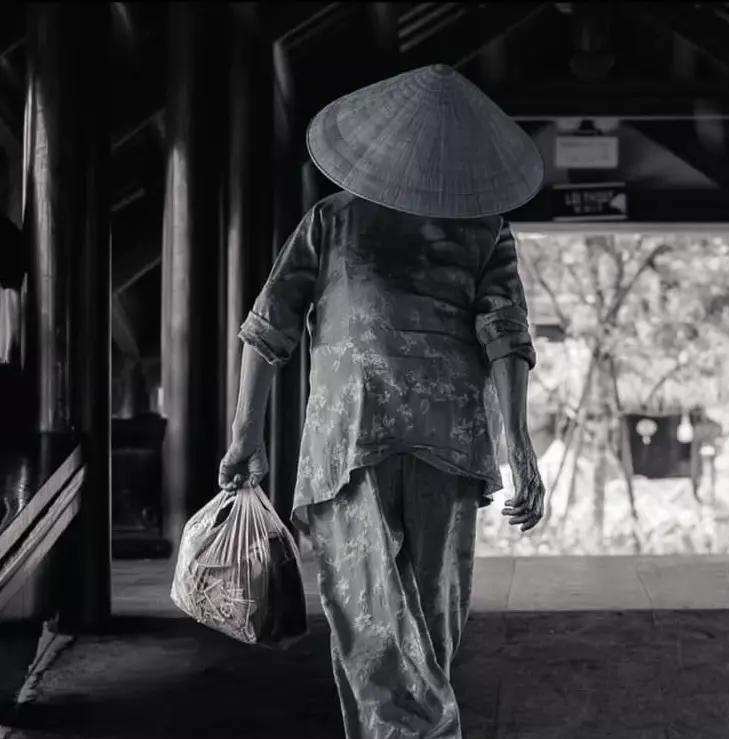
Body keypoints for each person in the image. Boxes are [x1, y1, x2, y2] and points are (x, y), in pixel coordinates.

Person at [217, 64, 547, 739]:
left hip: (413, 444)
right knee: (385, 622)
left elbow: (505, 338)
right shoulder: (336, 220)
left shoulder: (476, 230)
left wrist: (519, 446)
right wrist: (243, 435)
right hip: (369, 445)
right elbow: (268, 328)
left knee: (406, 624)